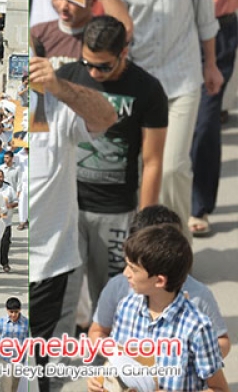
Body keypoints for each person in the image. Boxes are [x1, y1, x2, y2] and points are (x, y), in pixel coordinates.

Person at [103, 0, 221, 232]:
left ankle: (179, 246)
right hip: (139, 86)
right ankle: (148, 245)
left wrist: (211, 65)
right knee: (142, 169)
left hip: (183, 80)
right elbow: (118, 31)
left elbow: (205, 15)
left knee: (173, 168)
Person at [55, 16, 168, 321]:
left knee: (112, 297)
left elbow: (153, 160)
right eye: (88, 63)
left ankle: (113, 360)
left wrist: (144, 223)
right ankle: (56, 364)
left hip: (116, 210)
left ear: (124, 53)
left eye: (103, 66)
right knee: (64, 293)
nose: (93, 72)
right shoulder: (66, 77)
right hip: (68, 207)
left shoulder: (148, 90)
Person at [147, 0, 238, 237]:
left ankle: (198, 205)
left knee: (205, 118)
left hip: (218, 30)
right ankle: (161, 201)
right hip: (171, 30)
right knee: (163, 119)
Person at [28, 55, 116, 392]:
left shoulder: (54, 103)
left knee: (40, 372)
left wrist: (58, 85)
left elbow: (106, 116)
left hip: (51, 267)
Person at [86, 225, 228, 392]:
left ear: (159, 281)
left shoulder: (196, 327)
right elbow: (118, 359)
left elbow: (220, 388)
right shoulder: (126, 308)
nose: (125, 273)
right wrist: (100, 379)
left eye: (133, 269)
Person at [88, 205, 231, 359]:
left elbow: (221, 341)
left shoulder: (199, 296)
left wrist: (192, 358)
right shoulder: (119, 289)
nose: (126, 273)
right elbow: (97, 331)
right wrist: (117, 355)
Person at [0, 298, 29, 392]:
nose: (13, 315)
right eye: (11, 312)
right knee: (5, 386)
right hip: (5, 360)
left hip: (20, 360)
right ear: (6, 310)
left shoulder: (26, 323)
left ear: (20, 310)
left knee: (16, 386)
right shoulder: (1, 322)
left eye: (16, 312)